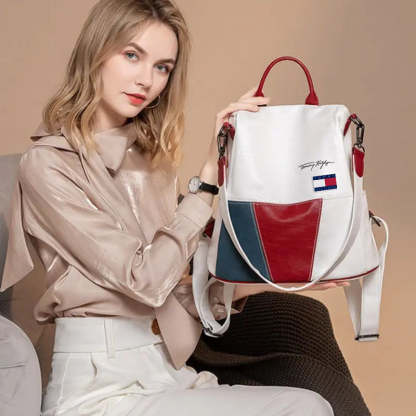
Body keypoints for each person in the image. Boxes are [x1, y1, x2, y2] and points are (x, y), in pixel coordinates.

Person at [0, 0, 349, 414]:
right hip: (97, 390)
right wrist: (206, 181)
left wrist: (289, 278)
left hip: (167, 372)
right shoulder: (48, 165)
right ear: (96, 53)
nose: (146, 80)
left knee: (308, 401)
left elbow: (177, 296)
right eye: (132, 55)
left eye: (162, 67)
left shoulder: (152, 165)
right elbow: (144, 281)